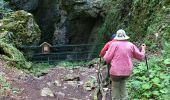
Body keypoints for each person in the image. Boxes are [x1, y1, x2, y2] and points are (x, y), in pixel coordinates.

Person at [104, 29, 146, 100]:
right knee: (123, 84)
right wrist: (143, 49)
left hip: (115, 72)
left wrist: (106, 54)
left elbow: (107, 58)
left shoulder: (114, 44)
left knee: (115, 87)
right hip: (127, 71)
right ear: (125, 36)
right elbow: (141, 57)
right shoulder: (130, 45)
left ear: (117, 36)